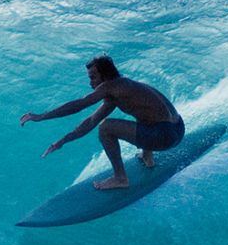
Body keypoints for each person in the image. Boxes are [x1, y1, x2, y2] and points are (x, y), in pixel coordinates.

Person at [20, 55, 185, 190]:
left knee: (106, 127)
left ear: (105, 77)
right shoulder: (124, 88)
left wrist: (40, 117)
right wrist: (62, 141)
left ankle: (120, 178)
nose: (90, 83)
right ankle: (148, 158)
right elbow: (90, 121)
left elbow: (78, 105)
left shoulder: (111, 87)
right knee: (144, 115)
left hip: (164, 136)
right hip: (178, 129)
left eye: (93, 77)